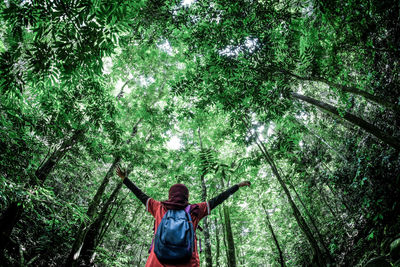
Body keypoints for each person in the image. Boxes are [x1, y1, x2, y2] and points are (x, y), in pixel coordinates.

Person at [116, 166, 250, 267]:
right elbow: (218, 199)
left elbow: (139, 194)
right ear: (187, 196)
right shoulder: (196, 209)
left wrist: (124, 179)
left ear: (170, 195)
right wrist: (237, 186)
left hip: (157, 261)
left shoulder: (158, 207)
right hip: (187, 262)